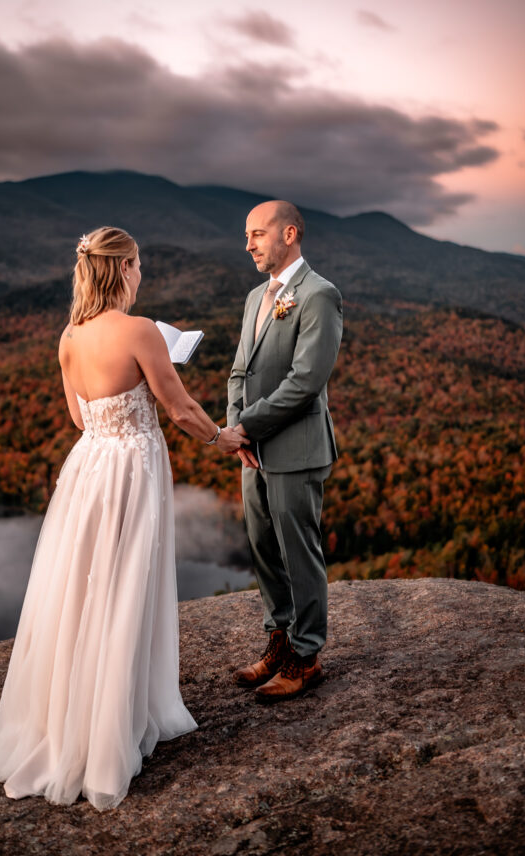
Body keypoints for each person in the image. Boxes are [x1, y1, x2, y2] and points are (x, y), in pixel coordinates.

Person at [0, 226, 246, 810]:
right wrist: (222, 437)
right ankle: (114, 726)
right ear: (121, 270)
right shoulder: (141, 332)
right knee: (123, 588)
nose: (142, 275)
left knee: (81, 590)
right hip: (131, 472)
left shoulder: (70, 335)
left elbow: (77, 414)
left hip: (88, 468)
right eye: (138, 265)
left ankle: (67, 720)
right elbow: (180, 407)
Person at [227, 200, 343, 702]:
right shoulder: (257, 297)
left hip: (295, 449)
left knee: (300, 553)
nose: (248, 243)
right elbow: (239, 371)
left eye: (257, 234)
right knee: (263, 547)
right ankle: (280, 639)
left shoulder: (319, 295)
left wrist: (246, 427)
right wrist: (236, 429)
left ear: (289, 233)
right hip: (253, 450)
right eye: (247, 235)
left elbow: (306, 381)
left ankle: (307, 655)